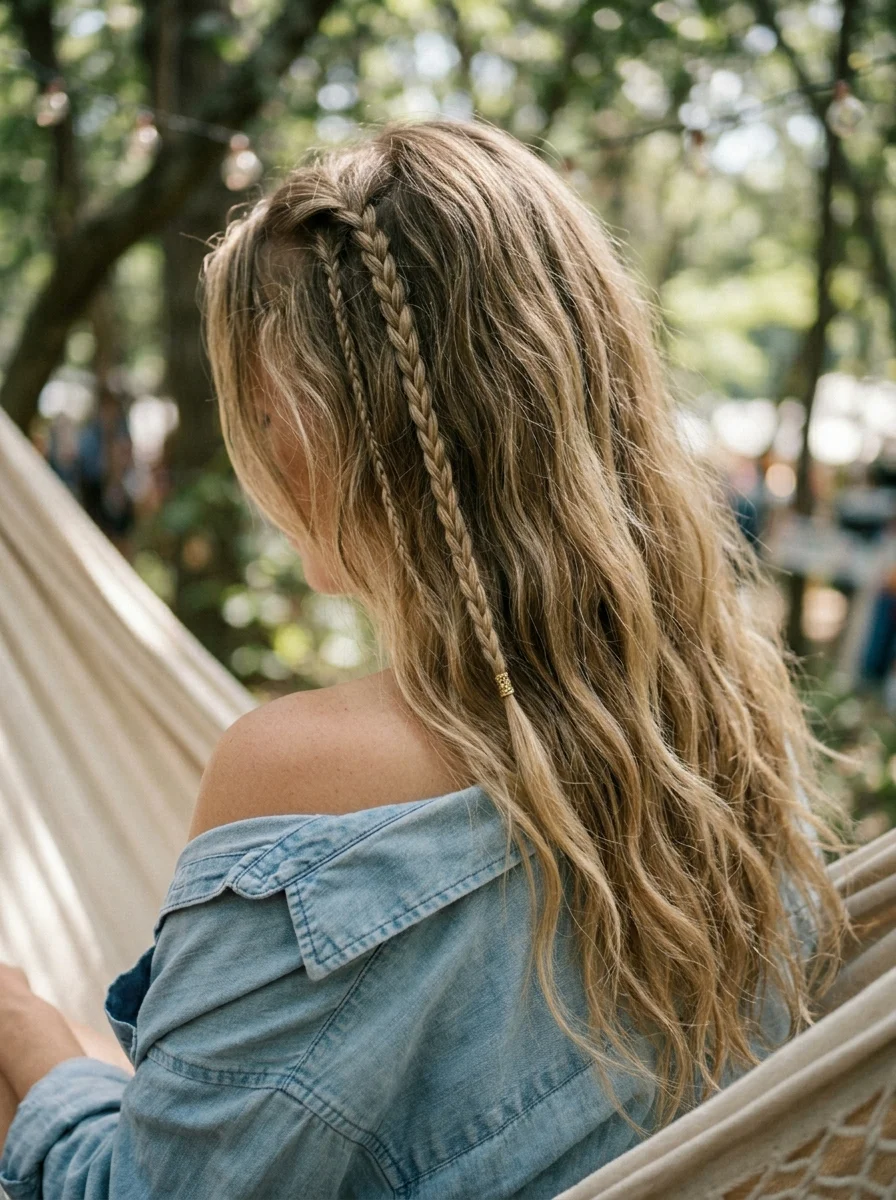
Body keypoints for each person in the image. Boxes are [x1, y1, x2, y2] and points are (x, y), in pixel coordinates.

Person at [0, 119, 852, 1199]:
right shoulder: (712, 728)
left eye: (264, 402)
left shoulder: (307, 768)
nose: (256, 437)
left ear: (343, 429)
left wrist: (32, 1051)